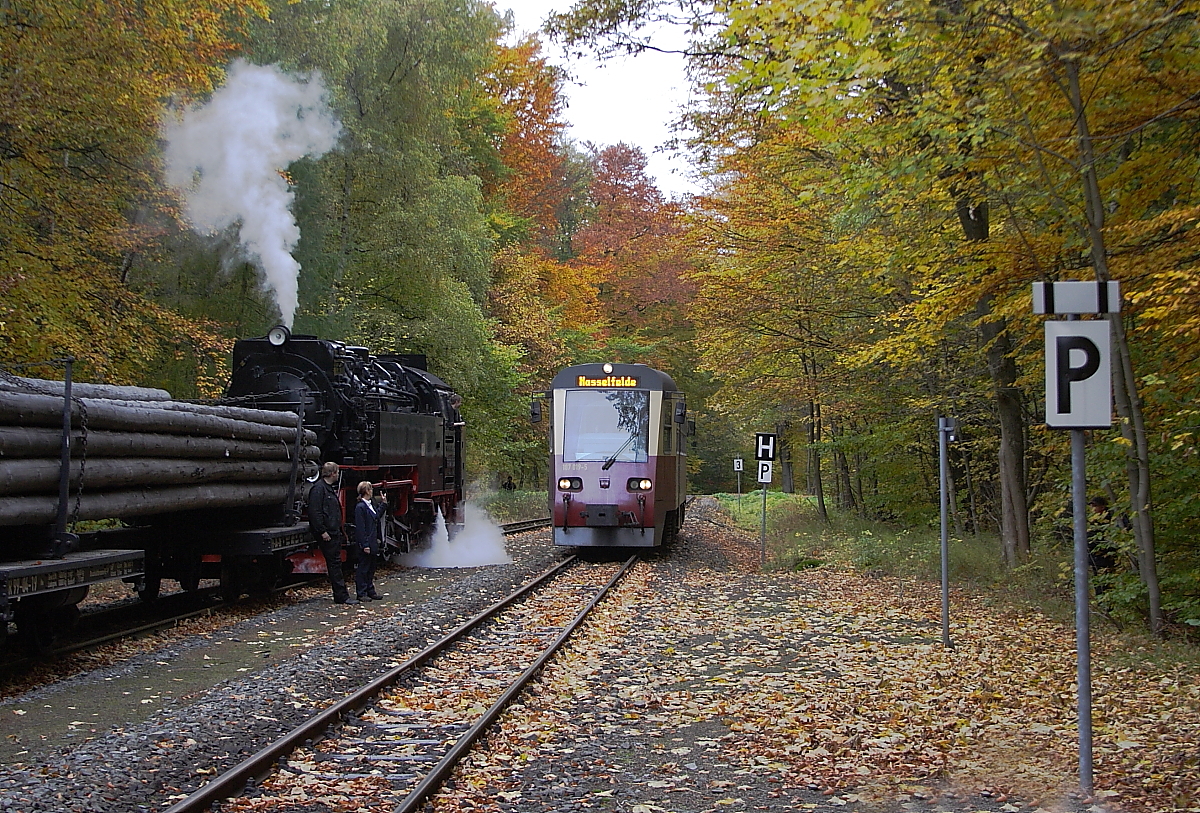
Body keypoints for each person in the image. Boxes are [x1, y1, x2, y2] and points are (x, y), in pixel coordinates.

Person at [308, 462, 355, 605]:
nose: (339, 475)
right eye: (337, 472)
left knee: (335, 563)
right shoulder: (319, 490)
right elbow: (315, 512)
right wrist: (322, 531)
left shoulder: (326, 489)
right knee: (334, 564)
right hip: (327, 533)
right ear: (333, 473)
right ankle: (341, 596)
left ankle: (341, 594)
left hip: (333, 531)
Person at [353, 481, 382, 601]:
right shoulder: (360, 507)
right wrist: (364, 544)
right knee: (363, 568)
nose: (372, 491)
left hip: (373, 540)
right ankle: (361, 592)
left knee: (371, 567)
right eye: (370, 489)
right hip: (366, 542)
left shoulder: (370, 505)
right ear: (366, 491)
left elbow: (376, 517)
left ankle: (370, 590)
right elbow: (361, 528)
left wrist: (384, 504)